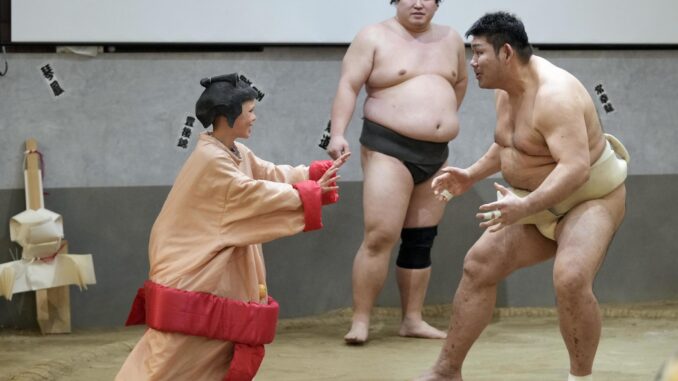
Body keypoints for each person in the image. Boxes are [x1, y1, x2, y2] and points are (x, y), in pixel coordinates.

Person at [417, 12, 630, 381]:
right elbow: (510, 145)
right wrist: (470, 175)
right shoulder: (506, 90)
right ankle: (446, 371)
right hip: (532, 201)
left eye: (479, 53)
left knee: (571, 278)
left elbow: (575, 168)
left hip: (589, 197)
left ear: (506, 53)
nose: (473, 62)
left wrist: (525, 206)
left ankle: (580, 378)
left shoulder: (555, 95)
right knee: (478, 264)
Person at [116, 73, 349, 381]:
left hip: (213, 270)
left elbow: (269, 175)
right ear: (228, 116)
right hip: (192, 272)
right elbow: (253, 194)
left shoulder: (235, 153)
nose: (255, 117)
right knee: (174, 356)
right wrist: (309, 193)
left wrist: (311, 174)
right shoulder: (211, 161)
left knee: (212, 354)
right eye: (250, 111)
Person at [326, 0, 468, 345]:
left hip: (436, 153)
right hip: (388, 147)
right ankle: (361, 320)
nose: (418, 3)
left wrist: (436, 120)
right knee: (380, 236)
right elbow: (349, 85)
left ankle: (412, 319)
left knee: (421, 239)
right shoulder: (373, 36)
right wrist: (338, 133)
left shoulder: (452, 39)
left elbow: (460, 83)